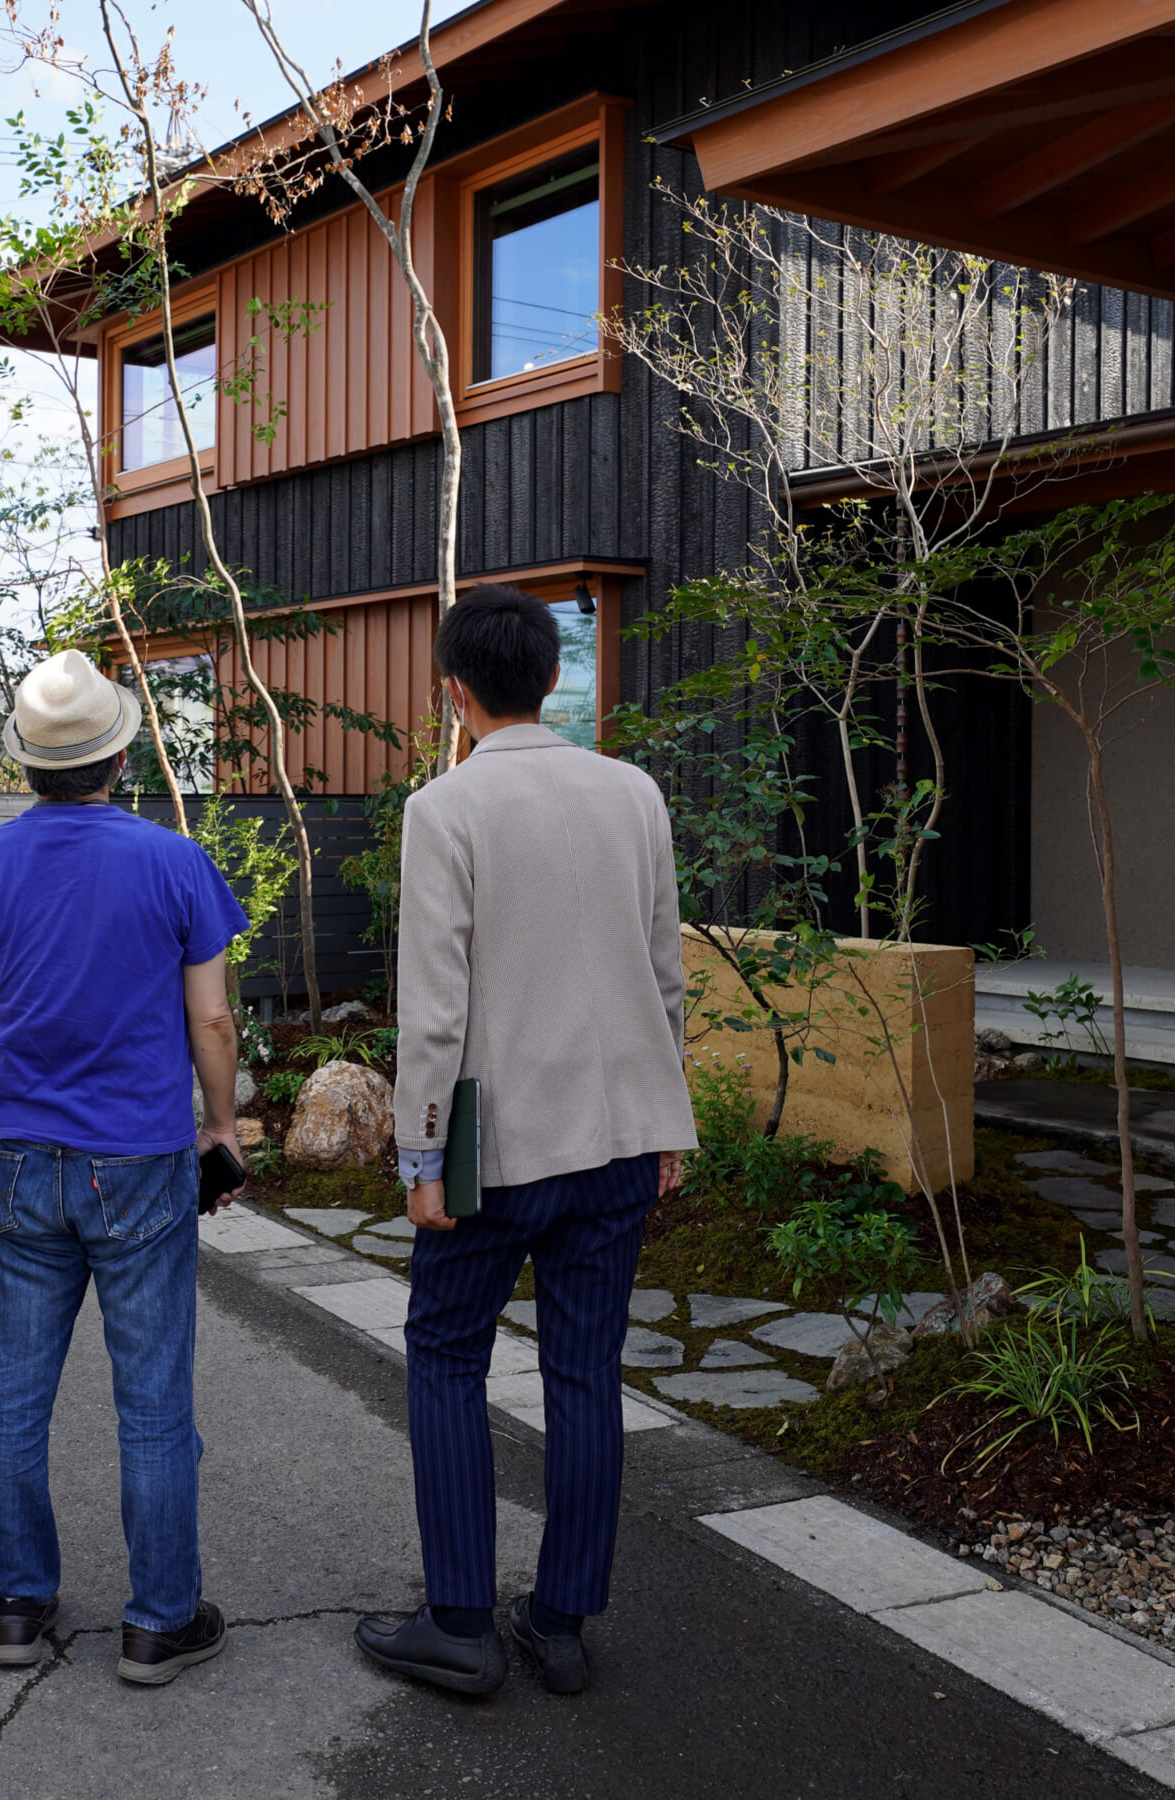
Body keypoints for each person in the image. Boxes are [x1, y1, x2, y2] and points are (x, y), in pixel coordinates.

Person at [354, 585, 695, 1698]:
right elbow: (662, 977)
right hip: (615, 1138)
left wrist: (418, 1156)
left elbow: (434, 1007)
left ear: (453, 691)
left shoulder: (444, 806)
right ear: (552, 677)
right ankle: (559, 1618)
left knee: (447, 1356)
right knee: (584, 1373)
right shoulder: (632, 792)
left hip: (493, 1148)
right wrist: (664, 1119)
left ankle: (458, 1619)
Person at [0, 650, 248, 1687]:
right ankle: (158, 1619)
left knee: (14, 1388)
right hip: (140, 1159)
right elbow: (212, 1016)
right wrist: (220, 1126)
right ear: (120, 749)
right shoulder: (172, 861)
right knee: (150, 1400)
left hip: (23, 1157)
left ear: (25, 763)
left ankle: (13, 1605)